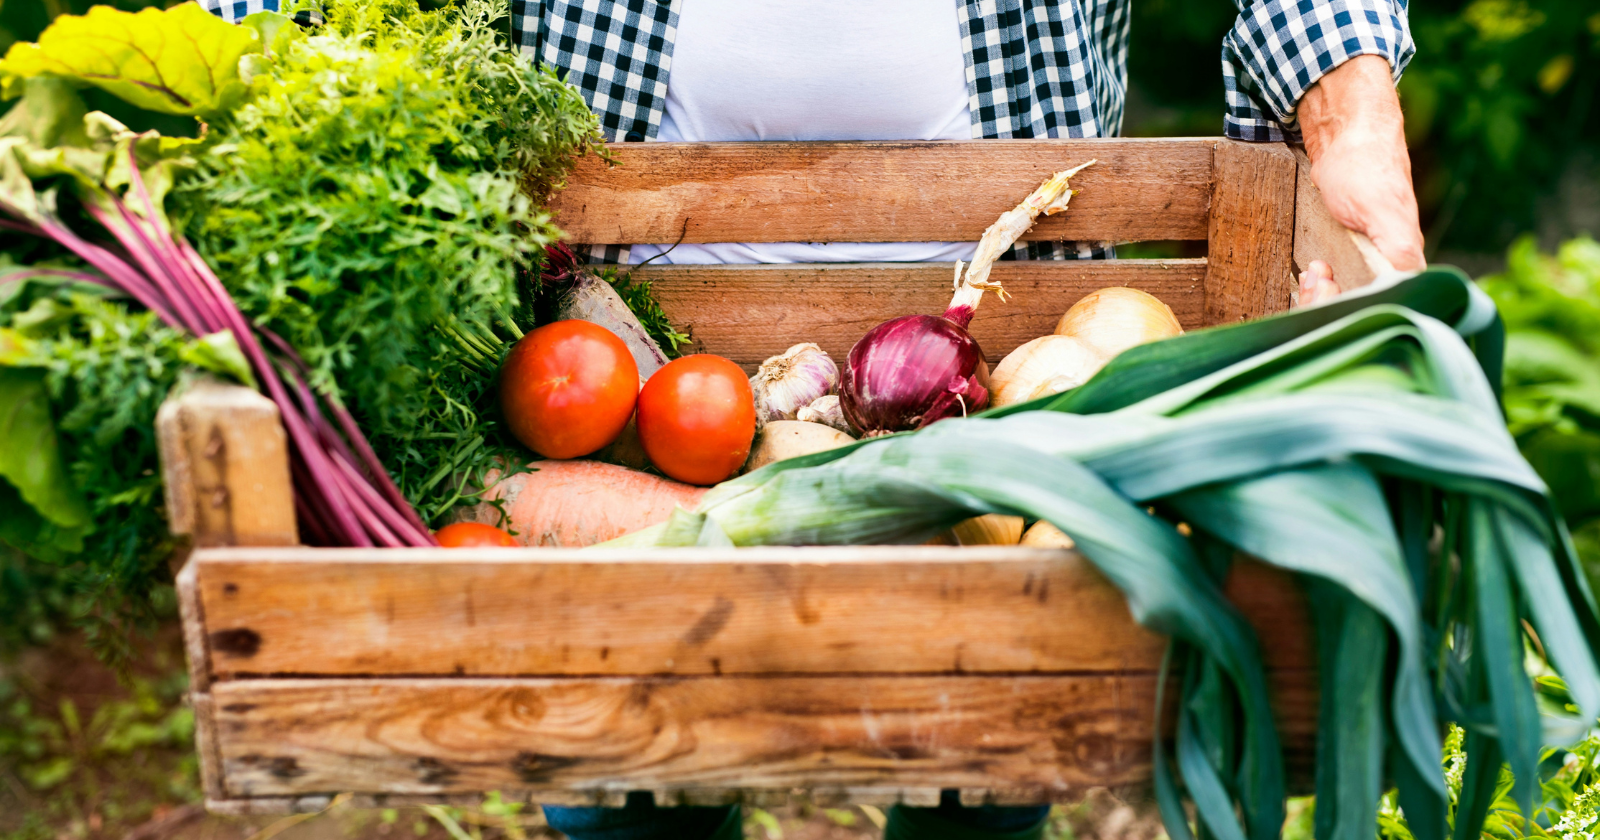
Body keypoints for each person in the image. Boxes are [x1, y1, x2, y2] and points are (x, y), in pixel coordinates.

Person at [206, 0, 1427, 836]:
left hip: (1005, 315)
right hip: (623, 308)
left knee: (995, 719)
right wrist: (249, 93)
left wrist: (1349, 109)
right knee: (618, 735)